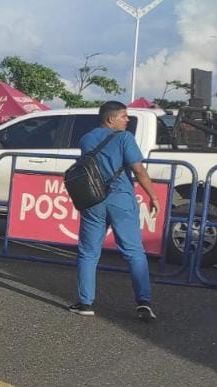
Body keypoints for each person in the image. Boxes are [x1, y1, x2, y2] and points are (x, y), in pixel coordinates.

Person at [69, 101, 160, 320]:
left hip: (93, 200)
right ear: (111, 119)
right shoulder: (125, 139)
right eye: (124, 116)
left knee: (88, 252)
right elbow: (139, 170)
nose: (127, 120)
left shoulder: (86, 138)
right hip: (121, 199)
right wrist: (153, 196)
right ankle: (143, 302)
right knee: (133, 251)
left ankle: (85, 303)